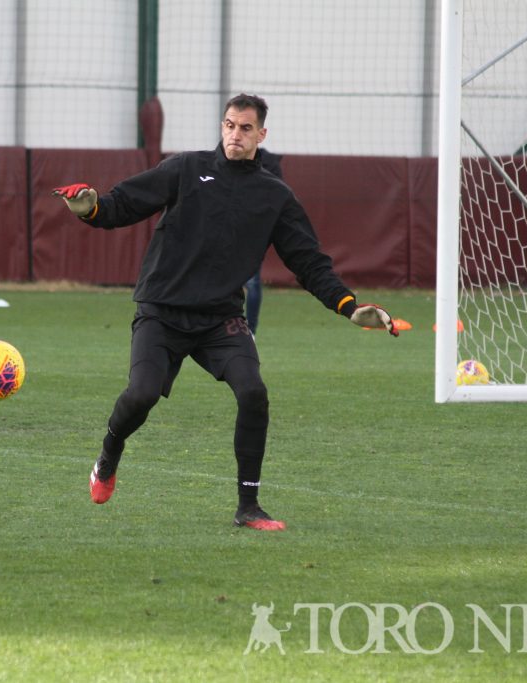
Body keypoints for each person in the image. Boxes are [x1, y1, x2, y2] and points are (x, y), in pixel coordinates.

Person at [53, 94, 398, 531]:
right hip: (161, 311)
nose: (236, 135)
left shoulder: (274, 196)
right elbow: (124, 204)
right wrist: (92, 208)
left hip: (220, 319)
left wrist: (347, 305)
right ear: (222, 126)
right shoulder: (185, 168)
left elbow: (309, 262)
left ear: (262, 135)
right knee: (141, 395)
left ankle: (248, 506)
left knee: (253, 392)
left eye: (246, 128)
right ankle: (108, 456)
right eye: (230, 125)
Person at [243, 148, 284, 336]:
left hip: (252, 231)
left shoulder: (265, 164)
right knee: (250, 281)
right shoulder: (227, 161)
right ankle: (244, 328)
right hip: (241, 230)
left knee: (251, 281)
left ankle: (249, 329)